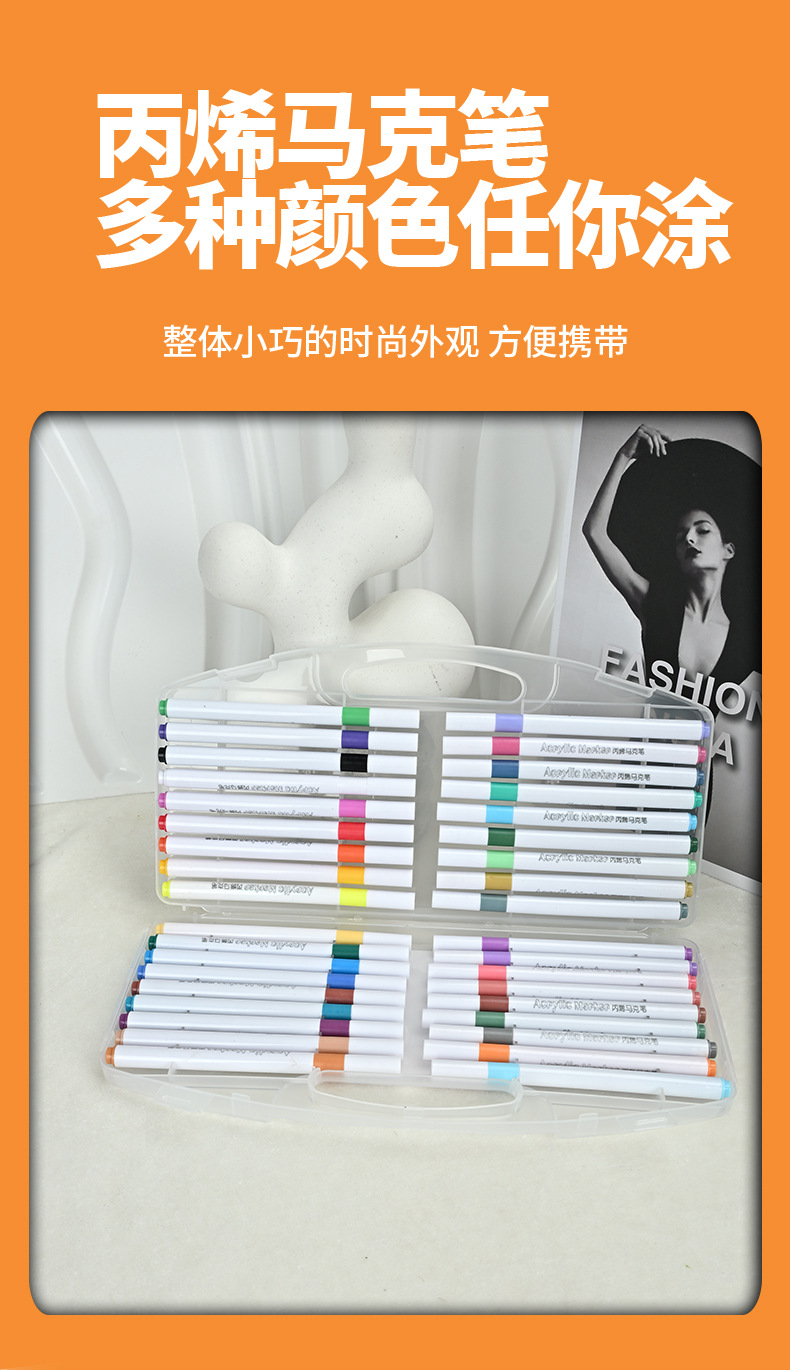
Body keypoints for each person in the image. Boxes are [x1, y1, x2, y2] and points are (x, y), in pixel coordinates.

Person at [582, 424, 760, 697]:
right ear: (676, 556)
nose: (689, 538)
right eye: (680, 537)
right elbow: (594, 532)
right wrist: (623, 456)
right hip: (644, 728)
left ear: (729, 550)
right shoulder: (652, 604)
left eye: (703, 530)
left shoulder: (749, 636)